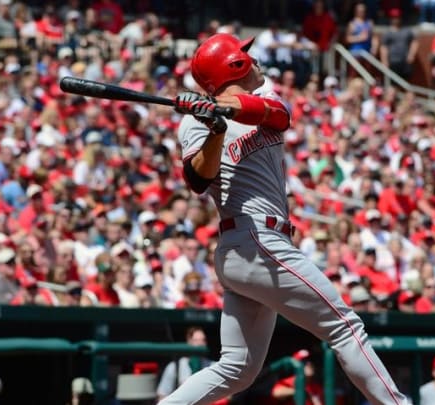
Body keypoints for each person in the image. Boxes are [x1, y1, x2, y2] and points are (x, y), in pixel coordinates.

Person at [161, 33, 408, 405]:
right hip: (253, 239)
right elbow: (199, 179)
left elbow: (279, 117)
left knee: (237, 368)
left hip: (259, 246)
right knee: (345, 327)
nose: (252, 58)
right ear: (233, 66)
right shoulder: (194, 124)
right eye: (243, 55)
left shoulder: (266, 95)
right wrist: (215, 128)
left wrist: (223, 109)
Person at [156, 327, 216, 401]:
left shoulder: (213, 366)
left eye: (203, 340)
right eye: (196, 340)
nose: (201, 344)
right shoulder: (175, 367)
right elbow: (162, 396)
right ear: (189, 342)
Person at [380, 9, 419, 80]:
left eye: (397, 17)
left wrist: (411, 55)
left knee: (407, 85)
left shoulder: (407, 30)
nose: (396, 19)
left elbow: (414, 42)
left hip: (405, 62)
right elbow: (383, 47)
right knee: (392, 86)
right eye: (394, 17)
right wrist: (384, 61)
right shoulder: (387, 32)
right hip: (392, 62)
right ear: (391, 18)